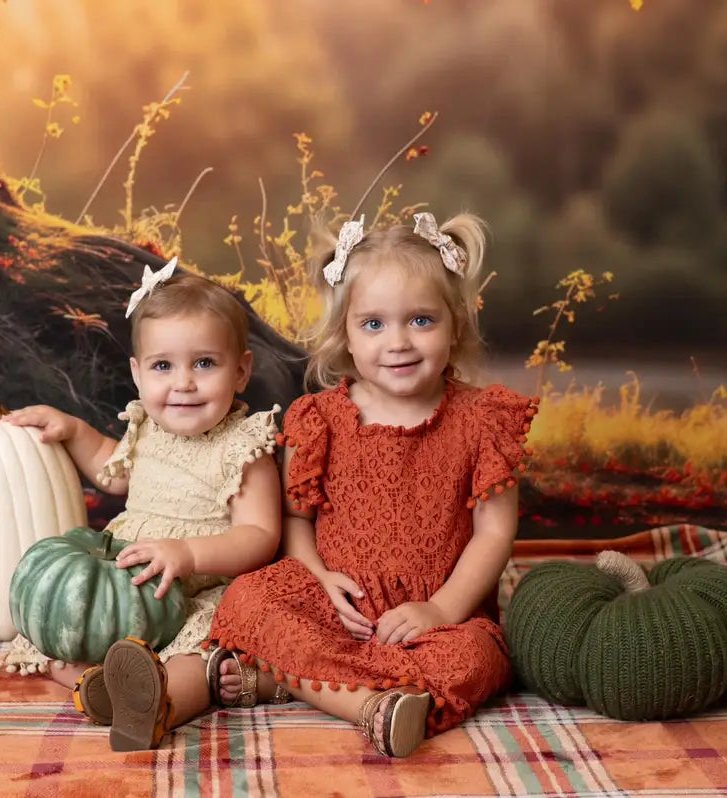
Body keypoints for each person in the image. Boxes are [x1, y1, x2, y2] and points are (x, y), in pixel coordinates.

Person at [204, 212, 538, 758]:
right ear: (347, 337)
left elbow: (494, 534)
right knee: (250, 598)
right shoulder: (321, 417)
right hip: (339, 606)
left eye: (422, 321)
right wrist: (319, 578)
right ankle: (370, 704)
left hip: (435, 617)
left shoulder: (481, 419)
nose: (399, 342)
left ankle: (288, 681)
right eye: (374, 324)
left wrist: (443, 610)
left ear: (455, 325)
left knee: (479, 659)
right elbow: (295, 518)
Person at [4, 260, 284, 752]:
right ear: (137, 374)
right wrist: (72, 430)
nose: (183, 383)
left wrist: (189, 555)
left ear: (241, 371)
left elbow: (261, 536)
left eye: (204, 363)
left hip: (199, 591)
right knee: (54, 636)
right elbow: (113, 470)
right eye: (163, 366)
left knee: (199, 655)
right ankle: (97, 681)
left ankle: (157, 703)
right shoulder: (149, 429)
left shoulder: (244, 447)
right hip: (124, 587)